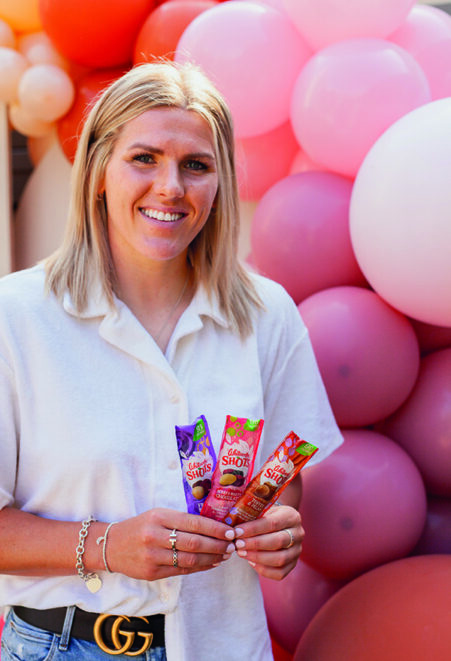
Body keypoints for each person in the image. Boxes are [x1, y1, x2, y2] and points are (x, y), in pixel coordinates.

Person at [0, 61, 343, 661]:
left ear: (221, 181)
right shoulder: (16, 317)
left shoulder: (266, 314)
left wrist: (279, 531)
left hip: (224, 645)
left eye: (196, 165)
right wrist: (108, 545)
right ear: (99, 171)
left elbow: (281, 483)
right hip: (65, 646)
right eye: (145, 158)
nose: (171, 188)